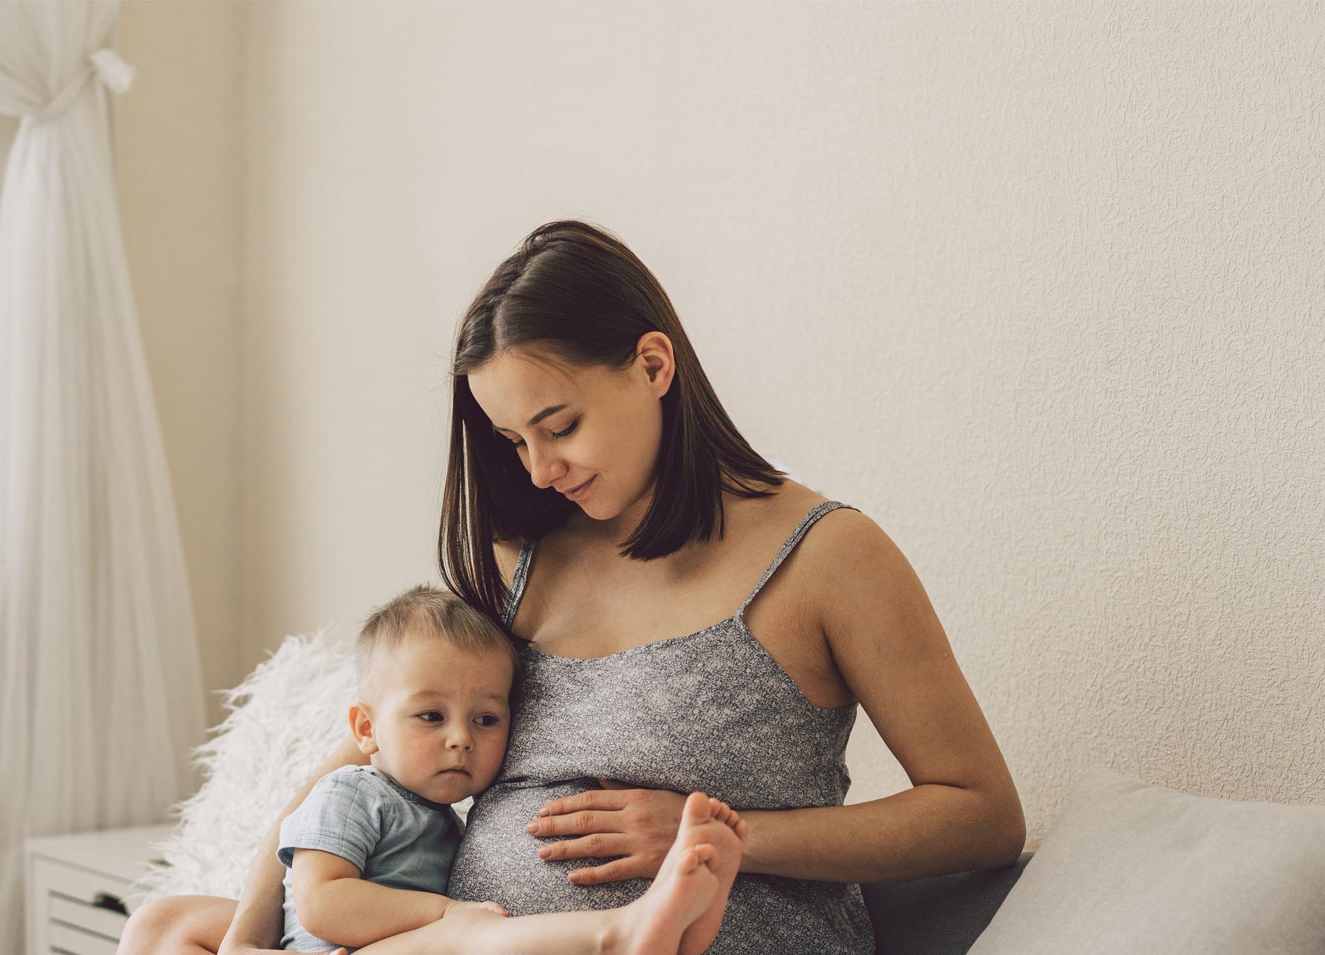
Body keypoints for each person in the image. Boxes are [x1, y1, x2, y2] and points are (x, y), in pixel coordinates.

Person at [118, 219, 1025, 955]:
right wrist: (251, 929)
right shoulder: (522, 561)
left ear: (654, 366)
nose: (541, 469)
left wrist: (715, 833)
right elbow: (376, 747)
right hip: (480, 937)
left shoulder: (827, 557)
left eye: (559, 425)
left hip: (717, 933)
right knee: (166, 932)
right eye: (515, 440)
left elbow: (980, 813)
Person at [276, 584, 750, 955]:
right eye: (431, 716)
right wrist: (447, 914)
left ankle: (684, 934)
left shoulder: (441, 819)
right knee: (468, 939)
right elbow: (321, 903)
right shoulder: (349, 793)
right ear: (366, 726)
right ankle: (617, 935)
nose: (461, 738)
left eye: (486, 720)